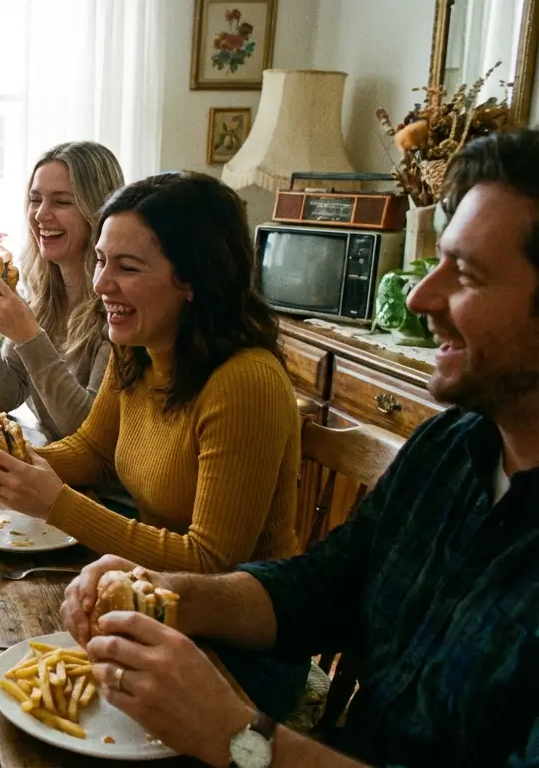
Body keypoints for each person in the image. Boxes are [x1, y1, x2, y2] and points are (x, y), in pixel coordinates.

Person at [59, 129, 539, 768]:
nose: (421, 298)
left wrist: (238, 734)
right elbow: (324, 586)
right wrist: (161, 592)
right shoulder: (452, 447)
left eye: (469, 274)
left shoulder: (246, 379)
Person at [0, 171, 304, 718]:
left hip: (236, 658)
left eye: (127, 267)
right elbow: (94, 453)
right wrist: (13, 461)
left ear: (192, 278)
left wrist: (54, 500)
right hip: (143, 607)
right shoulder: (138, 348)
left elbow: (212, 563)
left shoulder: (246, 382)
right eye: (101, 260)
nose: (101, 284)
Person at [0, 141, 123, 440]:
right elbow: (7, 397)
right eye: (35, 200)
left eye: (62, 202)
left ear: (97, 211)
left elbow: (88, 432)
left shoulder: (119, 307)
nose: (41, 215)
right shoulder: (43, 297)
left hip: (91, 483)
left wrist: (28, 336)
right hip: (44, 468)